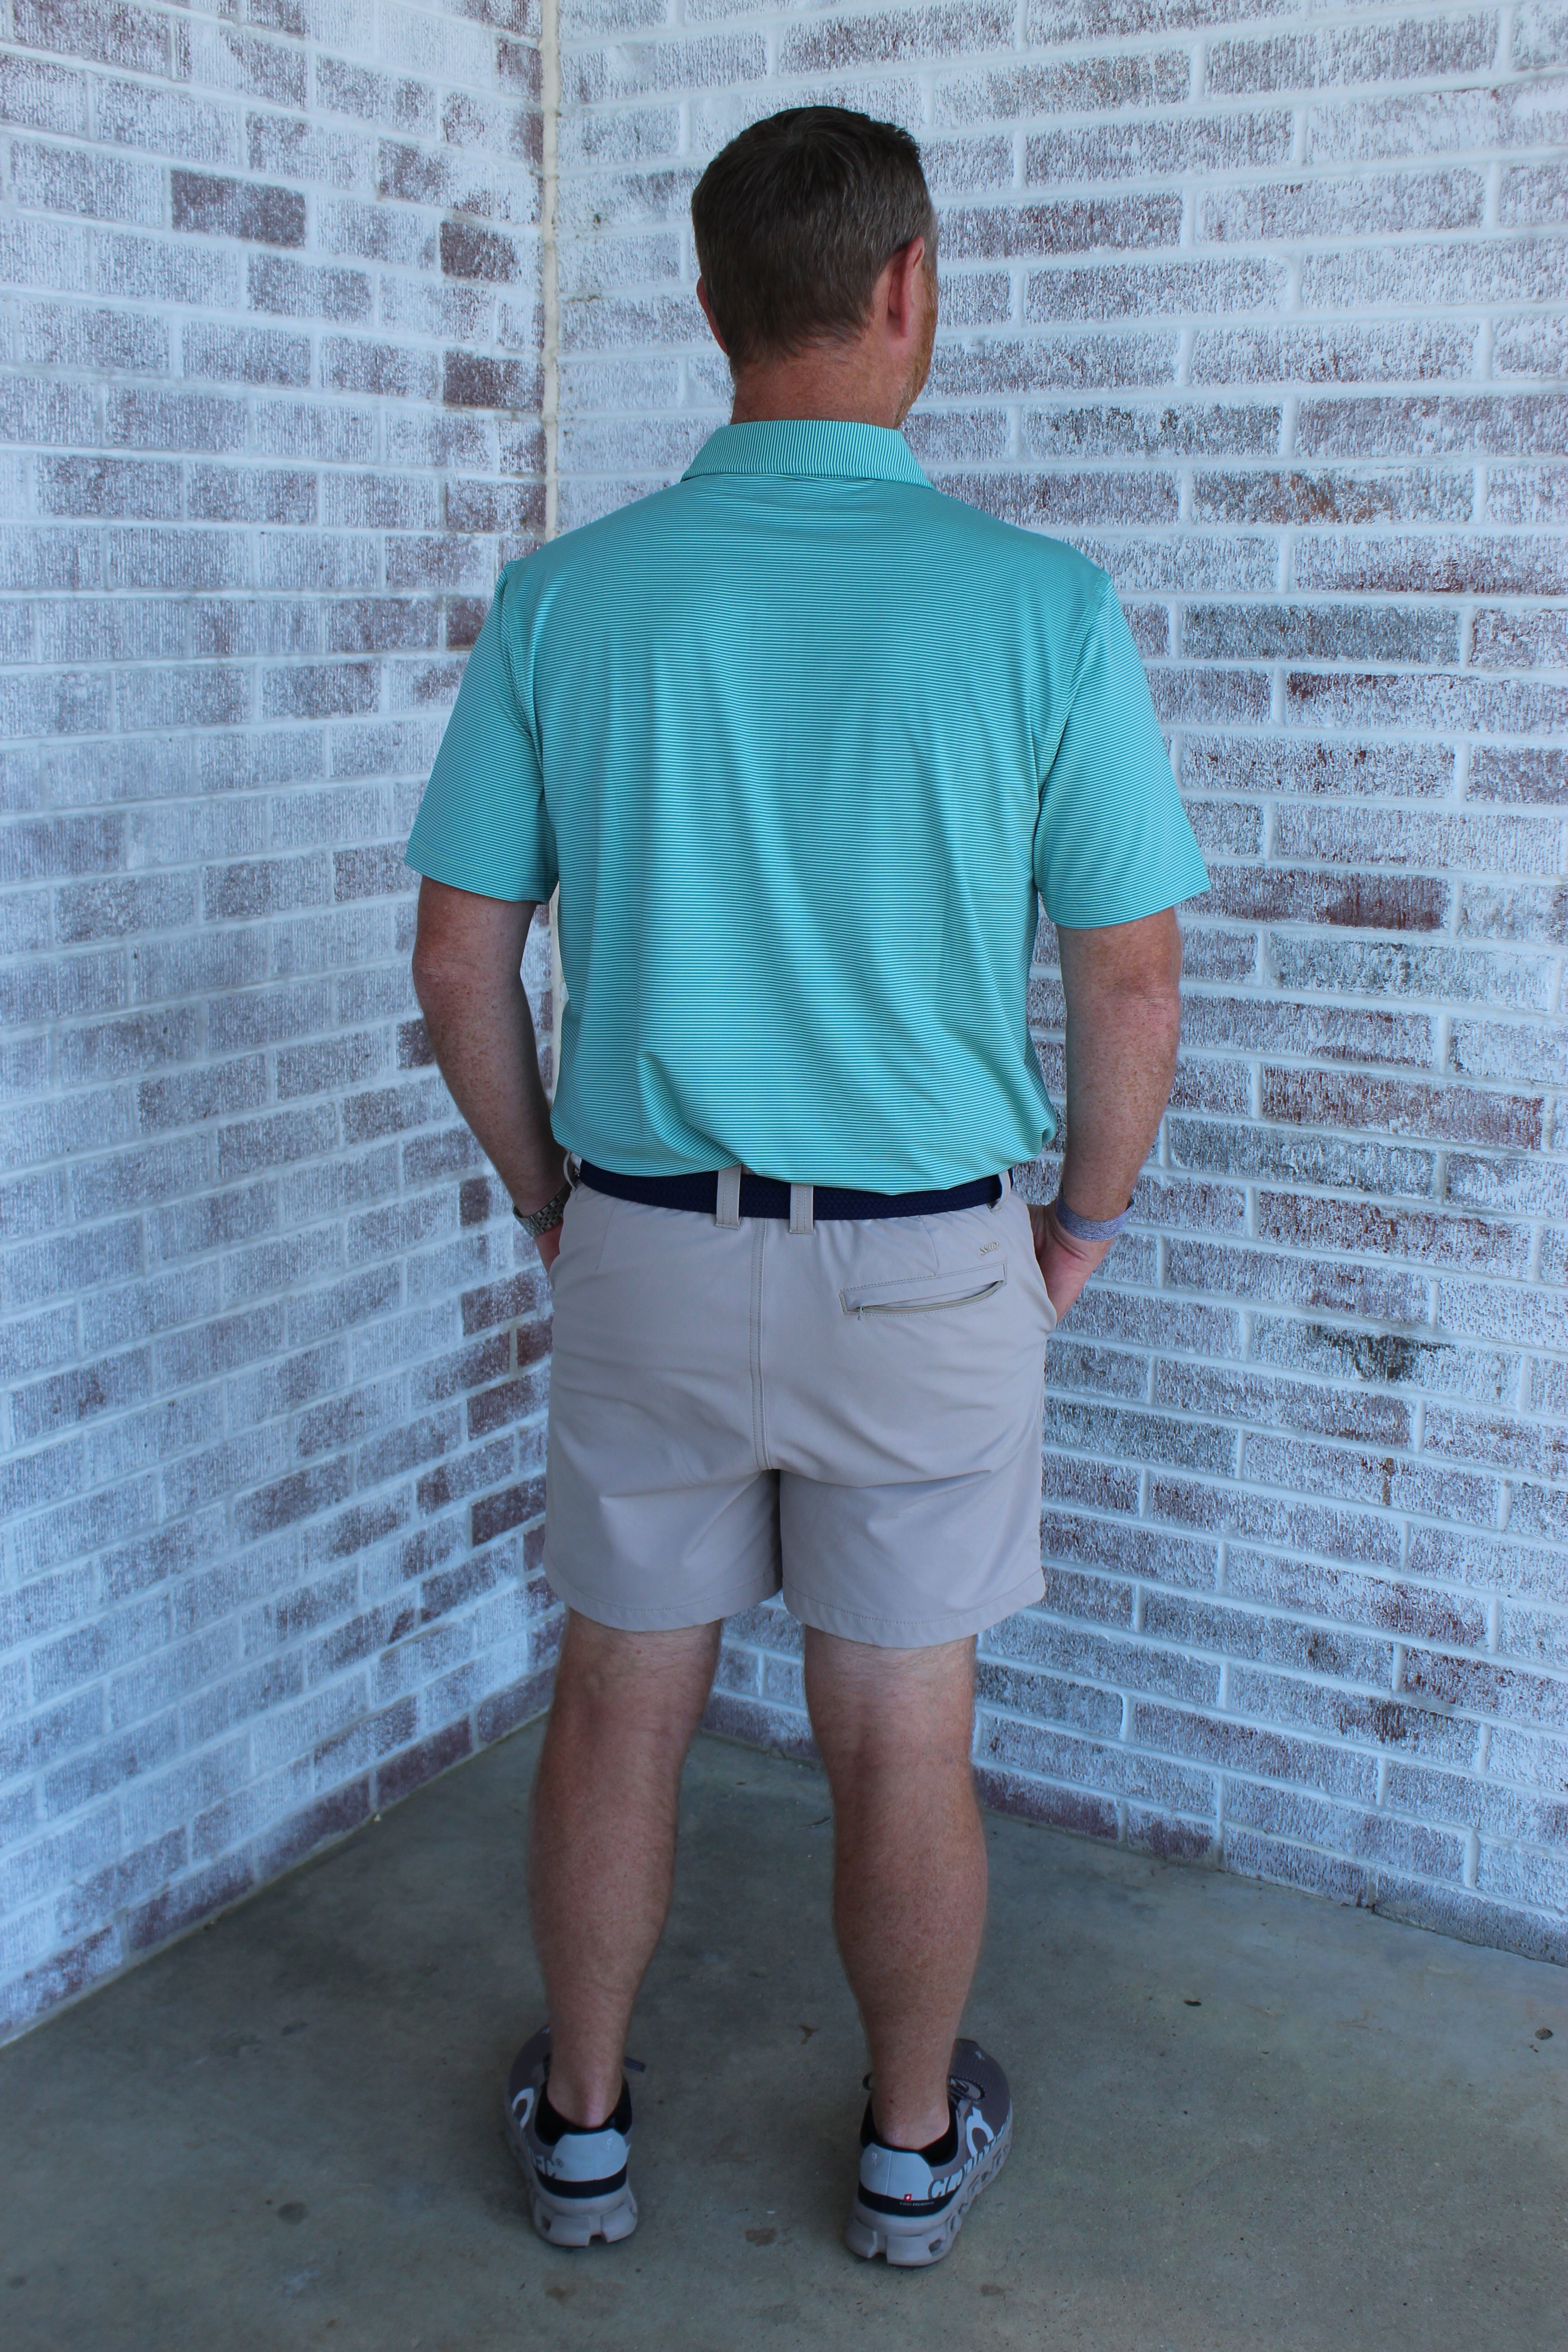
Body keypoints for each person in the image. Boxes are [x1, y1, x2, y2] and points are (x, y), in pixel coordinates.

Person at [406, 105, 1208, 2268]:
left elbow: (460, 960)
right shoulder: (1043, 610)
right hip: (926, 1265)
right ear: (908, 286)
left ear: (708, 306)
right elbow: (1131, 987)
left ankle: (584, 2133)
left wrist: (552, 1204)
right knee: (900, 1732)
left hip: (648, 1244)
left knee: (619, 1702)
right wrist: (1080, 1234)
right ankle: (908, 2153)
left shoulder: (569, 600)